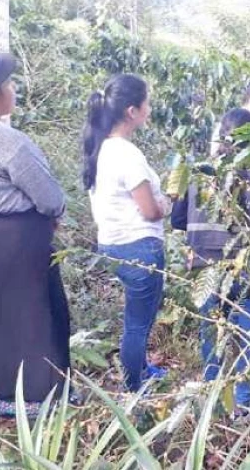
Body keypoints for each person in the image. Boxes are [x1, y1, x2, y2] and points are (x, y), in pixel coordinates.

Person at [0, 39, 70, 417]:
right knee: (35, 319)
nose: (13, 89)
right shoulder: (7, 142)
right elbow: (50, 198)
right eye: (8, 82)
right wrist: (54, 214)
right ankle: (41, 400)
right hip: (20, 244)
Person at [171, 108, 250, 396]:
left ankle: (211, 395)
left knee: (211, 335)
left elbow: (177, 220)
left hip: (206, 266)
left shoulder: (198, 173)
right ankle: (245, 402)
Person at [83, 74, 171, 392]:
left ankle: (141, 369)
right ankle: (134, 387)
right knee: (138, 323)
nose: (150, 109)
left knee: (137, 317)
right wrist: (167, 203)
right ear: (132, 111)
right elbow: (150, 210)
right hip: (139, 246)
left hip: (112, 244)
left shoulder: (102, 149)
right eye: (147, 103)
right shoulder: (127, 154)